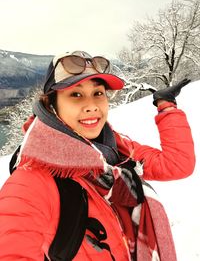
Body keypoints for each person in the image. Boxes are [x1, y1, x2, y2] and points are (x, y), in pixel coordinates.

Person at [0, 50, 195, 261]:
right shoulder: (31, 182)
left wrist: (166, 106)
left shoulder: (116, 151)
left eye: (98, 93)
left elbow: (176, 164)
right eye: (75, 94)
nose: (91, 106)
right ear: (51, 105)